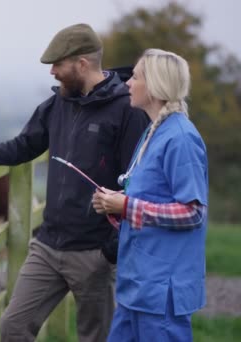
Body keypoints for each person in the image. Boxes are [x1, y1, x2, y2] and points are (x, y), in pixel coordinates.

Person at [0, 23, 150, 341]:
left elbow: (137, 182)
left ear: (81, 64)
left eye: (57, 65)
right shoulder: (57, 105)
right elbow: (22, 146)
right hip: (48, 247)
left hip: (95, 252)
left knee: (96, 337)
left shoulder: (127, 111)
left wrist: (109, 252)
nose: (51, 72)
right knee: (13, 327)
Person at [92, 49, 208, 341]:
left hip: (161, 294)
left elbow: (193, 212)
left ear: (155, 86)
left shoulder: (181, 137)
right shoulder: (153, 131)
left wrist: (127, 205)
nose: (128, 83)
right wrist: (114, 204)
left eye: (136, 76)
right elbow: (152, 195)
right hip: (137, 287)